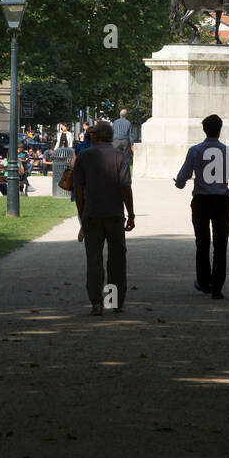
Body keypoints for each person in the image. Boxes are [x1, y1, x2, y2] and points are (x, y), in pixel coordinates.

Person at [73, 120, 134, 315]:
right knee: (116, 261)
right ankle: (114, 301)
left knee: (94, 260)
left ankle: (97, 303)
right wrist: (130, 214)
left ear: (97, 136)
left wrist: (82, 216)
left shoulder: (84, 156)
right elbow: (125, 188)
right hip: (115, 215)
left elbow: (79, 191)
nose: (89, 135)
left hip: (92, 214)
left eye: (92, 133)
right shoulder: (120, 156)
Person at [174, 114, 229, 299]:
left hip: (201, 199)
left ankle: (203, 282)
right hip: (221, 200)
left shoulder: (195, 150)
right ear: (220, 129)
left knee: (202, 243)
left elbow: (183, 176)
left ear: (204, 130)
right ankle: (217, 286)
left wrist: (179, 183)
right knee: (220, 244)